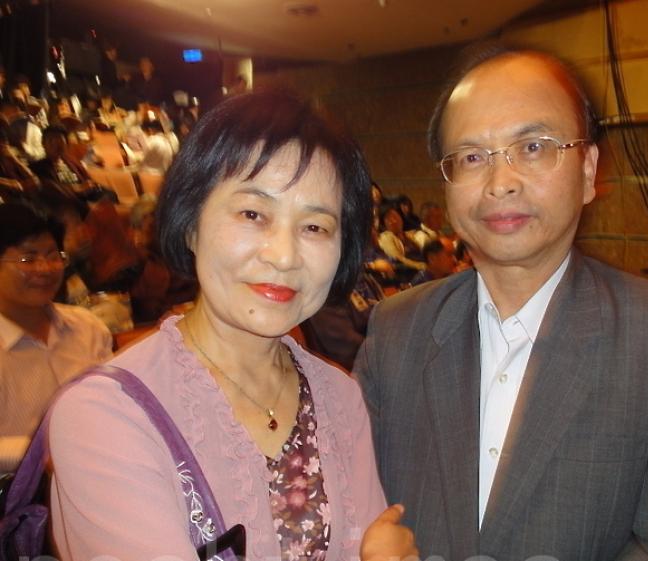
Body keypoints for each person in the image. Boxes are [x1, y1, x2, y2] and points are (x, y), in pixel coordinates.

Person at [354, 45, 648, 561]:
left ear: (587, 169)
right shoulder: (396, 331)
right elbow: (353, 510)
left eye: (533, 147)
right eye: (471, 157)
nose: (500, 182)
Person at [46, 88, 417, 561]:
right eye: (252, 214)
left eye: (315, 227)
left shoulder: (340, 398)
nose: (283, 255)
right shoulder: (104, 415)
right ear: (190, 223)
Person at [0, 201, 112, 474]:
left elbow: (115, 405)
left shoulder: (88, 328)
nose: (45, 268)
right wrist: (49, 452)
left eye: (53, 255)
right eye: (28, 259)